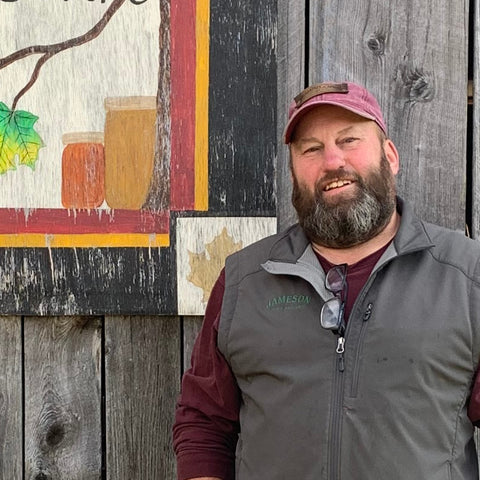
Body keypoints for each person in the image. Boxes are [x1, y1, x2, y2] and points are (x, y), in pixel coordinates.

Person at [173, 81, 480, 480]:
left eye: (349, 139)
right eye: (311, 149)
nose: (332, 161)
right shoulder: (245, 280)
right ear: (293, 172)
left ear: (390, 155)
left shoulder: (466, 276)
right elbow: (204, 424)